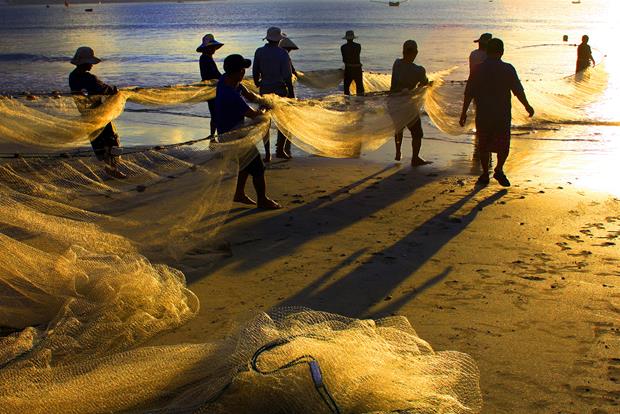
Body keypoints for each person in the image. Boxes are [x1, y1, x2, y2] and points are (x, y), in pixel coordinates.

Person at [459, 38, 534, 187]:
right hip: (502, 115)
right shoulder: (508, 69)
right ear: (502, 52)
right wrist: (527, 105)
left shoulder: (478, 69)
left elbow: (469, 93)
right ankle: (499, 169)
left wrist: (464, 113)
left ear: (487, 52)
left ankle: (485, 173)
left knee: (484, 145)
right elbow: (518, 90)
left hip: (484, 114)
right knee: (503, 145)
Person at [216, 54, 281, 209]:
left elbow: (250, 95)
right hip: (232, 136)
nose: (244, 72)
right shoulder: (230, 95)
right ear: (238, 72)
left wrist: (264, 101)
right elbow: (253, 114)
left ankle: (239, 193)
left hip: (233, 132)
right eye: (242, 69)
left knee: (245, 164)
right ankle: (262, 200)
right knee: (258, 167)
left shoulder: (227, 80)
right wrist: (266, 109)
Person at [68, 46, 126, 179]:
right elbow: (105, 88)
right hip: (100, 113)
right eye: (90, 62)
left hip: (86, 113)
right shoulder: (89, 78)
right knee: (110, 140)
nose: (92, 65)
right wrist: (115, 89)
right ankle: (113, 170)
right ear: (84, 62)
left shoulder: (72, 76)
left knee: (98, 142)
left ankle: (110, 169)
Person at [253, 27, 295, 161]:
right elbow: (287, 76)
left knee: (266, 121)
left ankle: (267, 154)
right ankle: (280, 150)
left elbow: (255, 72)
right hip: (280, 91)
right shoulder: (283, 53)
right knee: (283, 121)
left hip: (264, 90)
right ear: (279, 40)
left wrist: (258, 83)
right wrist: (291, 92)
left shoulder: (259, 52)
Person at [390, 40, 432, 166]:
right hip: (407, 105)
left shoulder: (397, 63)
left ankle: (398, 153)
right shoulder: (419, 70)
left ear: (403, 52)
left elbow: (398, 82)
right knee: (417, 132)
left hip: (393, 103)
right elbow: (424, 83)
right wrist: (428, 84)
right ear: (416, 53)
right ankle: (415, 158)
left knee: (399, 129)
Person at [197, 33, 224, 137]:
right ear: (207, 48)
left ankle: (213, 135)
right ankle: (213, 135)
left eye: (214, 47)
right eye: (211, 47)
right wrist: (224, 78)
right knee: (215, 113)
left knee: (215, 113)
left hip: (211, 87)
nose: (214, 50)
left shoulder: (206, 57)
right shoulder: (205, 58)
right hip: (211, 88)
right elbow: (213, 74)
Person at [341, 30, 364, 96]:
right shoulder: (358, 46)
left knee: (346, 87)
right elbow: (357, 55)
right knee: (359, 86)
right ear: (353, 38)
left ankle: (347, 102)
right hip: (357, 68)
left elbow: (344, 59)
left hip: (348, 69)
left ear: (346, 39)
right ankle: (361, 102)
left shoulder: (343, 47)